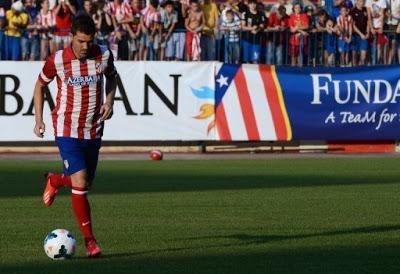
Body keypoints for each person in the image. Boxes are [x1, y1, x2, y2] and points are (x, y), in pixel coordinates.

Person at [33, 14, 117, 258]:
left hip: (93, 129)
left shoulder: (103, 55)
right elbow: (40, 85)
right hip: (66, 128)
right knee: (80, 181)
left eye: (89, 41)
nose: (84, 47)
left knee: (85, 183)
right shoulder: (57, 60)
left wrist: (109, 102)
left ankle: (56, 180)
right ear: (72, 36)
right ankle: (90, 242)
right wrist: (39, 119)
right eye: (80, 41)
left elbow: (112, 78)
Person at [350, 0, 369, 65]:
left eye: (363, 1)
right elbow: (353, 25)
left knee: (363, 56)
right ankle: (354, 71)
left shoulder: (365, 9)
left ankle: (362, 70)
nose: (362, 3)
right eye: (361, 1)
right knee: (354, 55)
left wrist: (368, 33)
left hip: (364, 36)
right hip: (355, 35)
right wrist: (360, 34)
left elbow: (368, 22)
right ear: (357, 1)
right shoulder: (352, 11)